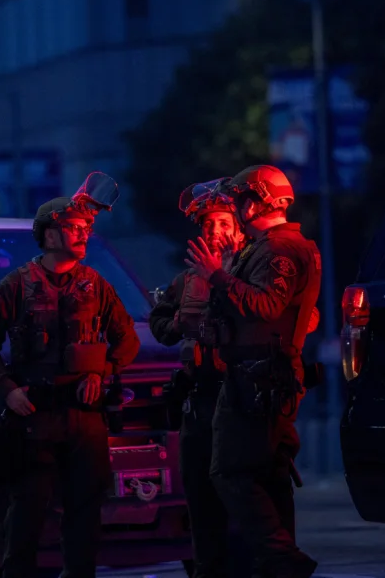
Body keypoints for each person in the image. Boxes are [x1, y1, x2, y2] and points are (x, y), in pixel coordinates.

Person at [0, 172, 141, 578]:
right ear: (49, 236)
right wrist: (7, 391)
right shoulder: (16, 286)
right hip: (34, 419)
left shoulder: (95, 285)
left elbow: (128, 340)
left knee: (84, 518)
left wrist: (105, 371)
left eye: (86, 228)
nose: (83, 234)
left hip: (85, 418)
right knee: (26, 515)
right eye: (74, 228)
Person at [185, 165, 322, 578]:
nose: (239, 208)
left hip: (258, 379)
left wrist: (217, 276)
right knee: (270, 476)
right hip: (263, 378)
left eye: (241, 200)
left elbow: (266, 306)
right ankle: (278, 563)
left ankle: (283, 559)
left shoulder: (278, 249)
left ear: (255, 202)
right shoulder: (273, 246)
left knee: (228, 472)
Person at [149, 178, 244, 578]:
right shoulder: (187, 280)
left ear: (238, 229)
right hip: (199, 404)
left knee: (242, 501)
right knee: (200, 502)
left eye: (223, 223)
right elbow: (159, 321)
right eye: (208, 225)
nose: (215, 232)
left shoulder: (255, 267)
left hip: (242, 401)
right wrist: (177, 325)